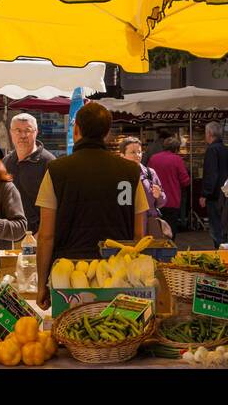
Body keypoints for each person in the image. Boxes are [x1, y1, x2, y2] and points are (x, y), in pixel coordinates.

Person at [36, 102, 147, 307]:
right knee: (118, 335)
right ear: (106, 133)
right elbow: (139, 235)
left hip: (69, 275)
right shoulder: (130, 172)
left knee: (72, 334)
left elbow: (46, 236)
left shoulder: (56, 170)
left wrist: (41, 284)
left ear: (76, 129)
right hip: (117, 274)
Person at [0, 112, 57, 234]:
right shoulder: (5, 162)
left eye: (28, 130)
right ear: (11, 133)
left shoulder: (49, 163)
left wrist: (42, 234)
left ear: (36, 132)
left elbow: (56, 203)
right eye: (18, 130)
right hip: (10, 235)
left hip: (38, 235)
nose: (23, 135)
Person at [120, 137, 169, 237]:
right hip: (127, 225)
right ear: (122, 155)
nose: (137, 155)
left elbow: (162, 202)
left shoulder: (150, 173)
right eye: (132, 152)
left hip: (149, 226)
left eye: (139, 152)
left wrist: (159, 195)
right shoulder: (117, 175)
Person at [200, 121, 228, 247]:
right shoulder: (227, 150)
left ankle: (220, 252)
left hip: (214, 196)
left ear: (209, 134)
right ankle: (224, 248)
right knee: (223, 227)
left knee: (216, 228)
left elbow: (211, 174)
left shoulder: (212, 150)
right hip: (226, 193)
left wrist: (205, 194)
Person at [149, 135, 191, 235]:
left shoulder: (153, 158)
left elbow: (148, 177)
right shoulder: (177, 160)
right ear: (176, 148)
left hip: (156, 199)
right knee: (170, 230)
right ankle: (169, 248)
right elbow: (185, 181)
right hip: (172, 200)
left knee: (156, 229)